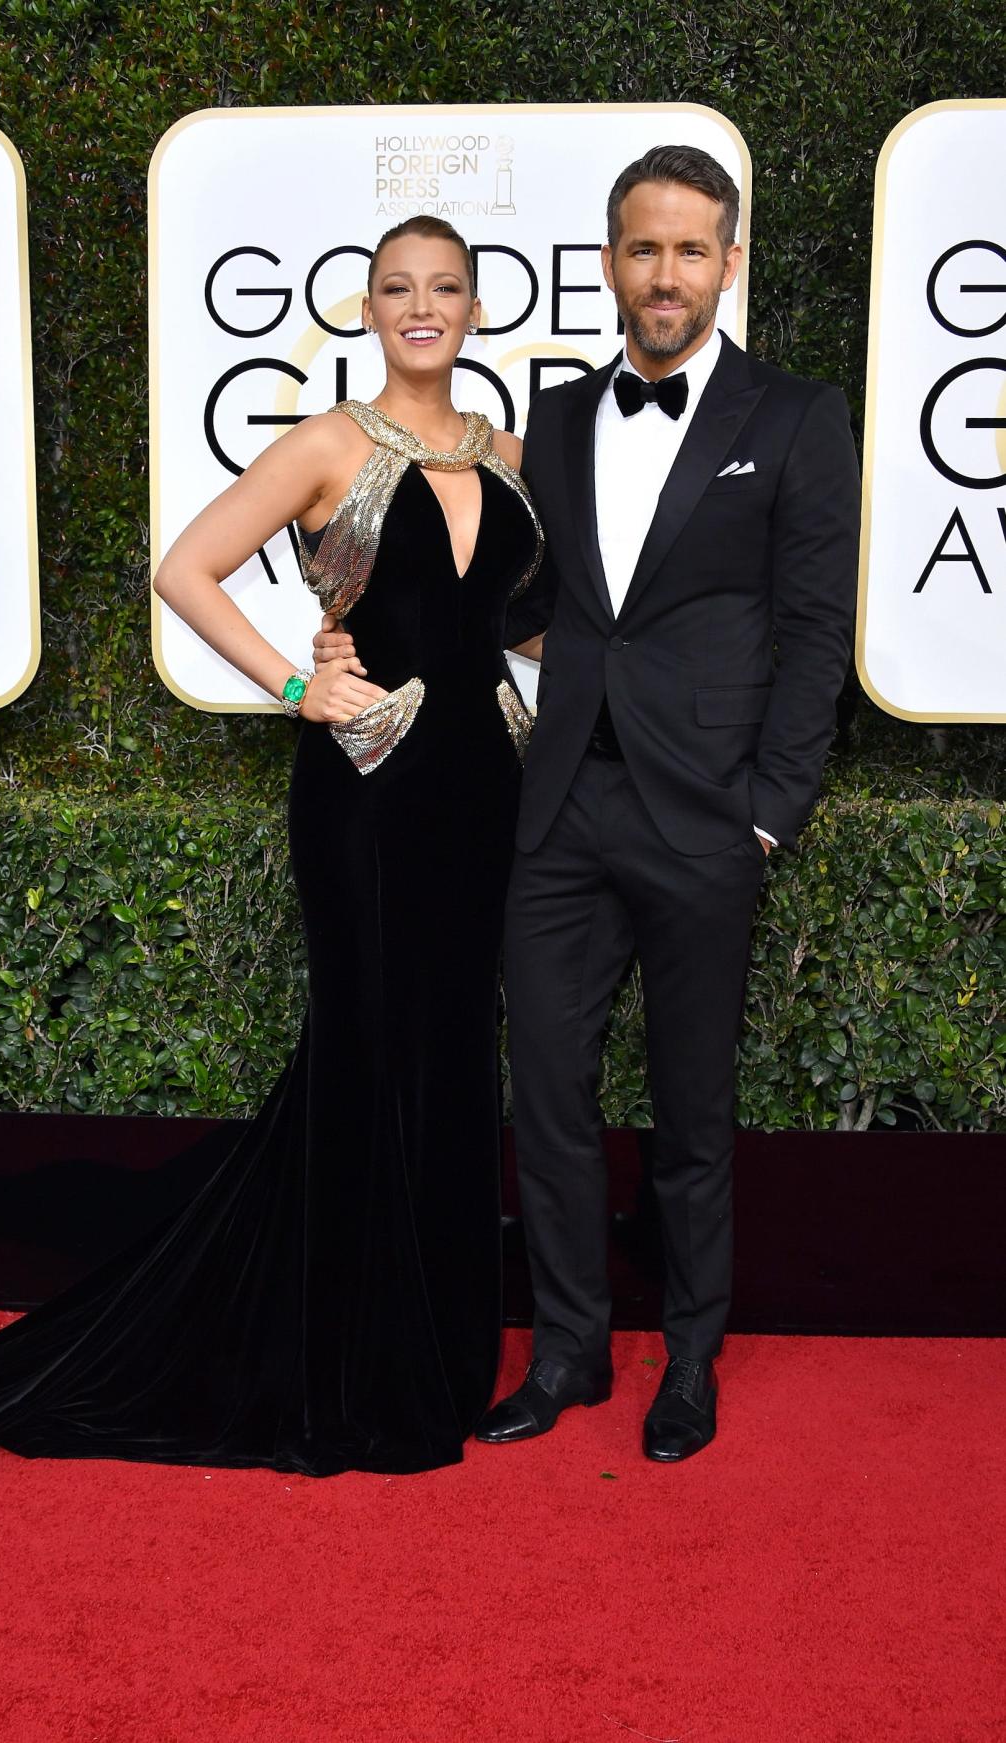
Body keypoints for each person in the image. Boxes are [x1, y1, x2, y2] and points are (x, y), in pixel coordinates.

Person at [0, 216, 543, 1505]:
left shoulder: (513, 458)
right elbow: (184, 567)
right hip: (364, 788)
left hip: (483, 794)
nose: (421, 308)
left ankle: (445, 1356)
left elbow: (537, 608)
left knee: (459, 1057)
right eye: (397, 289)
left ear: (475, 305)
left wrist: (526, 688)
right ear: (365, 305)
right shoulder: (328, 443)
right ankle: (355, 1363)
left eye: (444, 289)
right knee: (366, 1052)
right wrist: (300, 682)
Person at [321, 145, 860, 1464]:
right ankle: (566, 1351)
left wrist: (766, 811)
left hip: (702, 820)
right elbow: (498, 597)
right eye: (641, 248)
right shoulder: (552, 422)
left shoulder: (792, 418)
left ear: (726, 264)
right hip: (554, 809)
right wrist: (338, 641)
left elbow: (809, 627)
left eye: (689, 249)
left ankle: (687, 1359)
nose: (663, 273)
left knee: (689, 1111)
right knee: (546, 1098)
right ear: (608, 262)